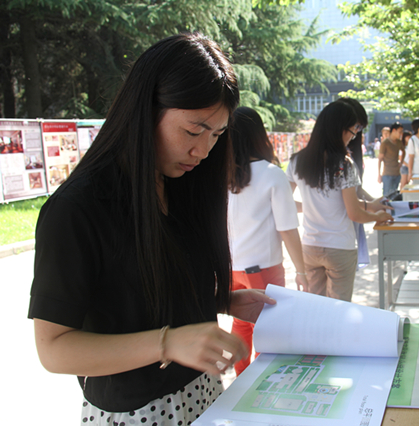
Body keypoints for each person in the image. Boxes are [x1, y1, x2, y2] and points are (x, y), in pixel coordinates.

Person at [28, 33, 275, 426]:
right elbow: (53, 348)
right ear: (146, 110)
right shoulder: (77, 209)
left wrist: (223, 301)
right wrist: (168, 342)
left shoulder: (183, 186)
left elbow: (140, 295)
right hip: (136, 413)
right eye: (193, 131)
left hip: (205, 395)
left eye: (216, 135)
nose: (203, 151)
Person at [286, 101, 393, 301]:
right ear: (340, 130)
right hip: (339, 248)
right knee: (338, 308)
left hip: (309, 246)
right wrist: (377, 216)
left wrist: (310, 207)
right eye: (352, 131)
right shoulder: (344, 165)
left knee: (315, 305)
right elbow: (354, 213)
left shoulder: (296, 161)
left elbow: (285, 204)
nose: (353, 137)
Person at [228, 107, 307, 375]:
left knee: (241, 324)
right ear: (259, 135)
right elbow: (287, 229)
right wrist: (301, 270)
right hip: (263, 268)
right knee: (269, 328)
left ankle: (241, 381)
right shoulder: (272, 173)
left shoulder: (223, 175)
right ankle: (262, 384)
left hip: (232, 267)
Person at [377, 122, 405, 197]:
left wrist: (401, 162)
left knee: (394, 195)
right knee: (386, 196)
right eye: (400, 132)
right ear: (394, 131)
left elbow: (403, 151)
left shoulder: (399, 142)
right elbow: (380, 159)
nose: (401, 134)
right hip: (387, 174)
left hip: (397, 173)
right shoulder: (385, 143)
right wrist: (379, 174)